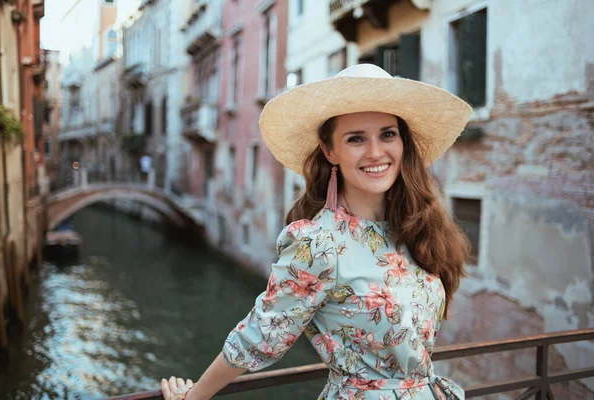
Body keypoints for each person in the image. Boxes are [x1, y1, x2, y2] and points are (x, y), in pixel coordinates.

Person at [161, 64, 473, 400]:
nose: (375, 152)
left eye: (387, 134)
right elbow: (262, 333)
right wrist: (193, 397)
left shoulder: (413, 229)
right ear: (330, 151)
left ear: (402, 142)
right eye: (356, 139)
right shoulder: (319, 243)